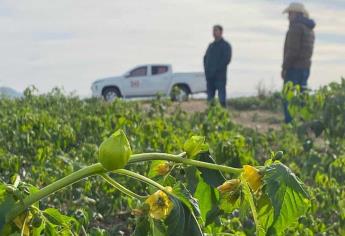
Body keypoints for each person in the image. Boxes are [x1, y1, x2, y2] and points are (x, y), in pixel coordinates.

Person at [281, 2, 316, 123]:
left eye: (290, 13)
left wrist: (285, 67)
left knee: (288, 96)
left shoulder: (296, 27)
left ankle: (289, 123)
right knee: (302, 96)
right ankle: (303, 123)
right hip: (305, 67)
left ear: (296, 14)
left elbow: (292, 51)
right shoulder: (309, 29)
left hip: (294, 68)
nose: (288, 16)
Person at [204, 25, 232, 107]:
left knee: (222, 99)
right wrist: (207, 71)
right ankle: (211, 117)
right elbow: (205, 58)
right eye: (213, 31)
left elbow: (226, 60)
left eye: (216, 30)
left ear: (221, 32)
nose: (214, 32)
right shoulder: (211, 46)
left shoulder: (226, 45)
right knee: (210, 100)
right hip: (210, 78)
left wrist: (216, 70)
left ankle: (223, 117)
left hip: (220, 77)